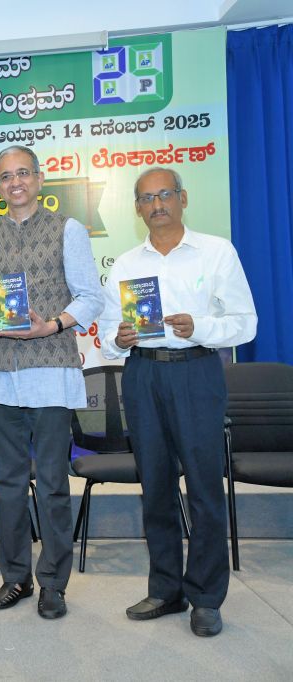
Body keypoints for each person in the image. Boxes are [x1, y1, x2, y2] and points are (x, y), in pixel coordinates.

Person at [99, 167, 256, 637]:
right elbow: (107, 335)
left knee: (205, 489)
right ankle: (166, 588)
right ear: (137, 209)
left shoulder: (216, 251)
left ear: (183, 199)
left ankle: (206, 597)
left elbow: (246, 323)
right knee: (156, 487)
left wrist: (199, 327)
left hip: (196, 372)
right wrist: (119, 338)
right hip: (143, 374)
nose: (157, 204)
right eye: (147, 198)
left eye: (165, 194)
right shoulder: (126, 264)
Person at [0, 146, 103, 619]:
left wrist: (55, 324)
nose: (15, 182)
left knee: (51, 485)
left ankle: (53, 584)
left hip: (50, 374)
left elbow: (91, 297)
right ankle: (15, 578)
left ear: (40, 180)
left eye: (23, 173)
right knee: (7, 485)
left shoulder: (68, 230)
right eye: (6, 176)